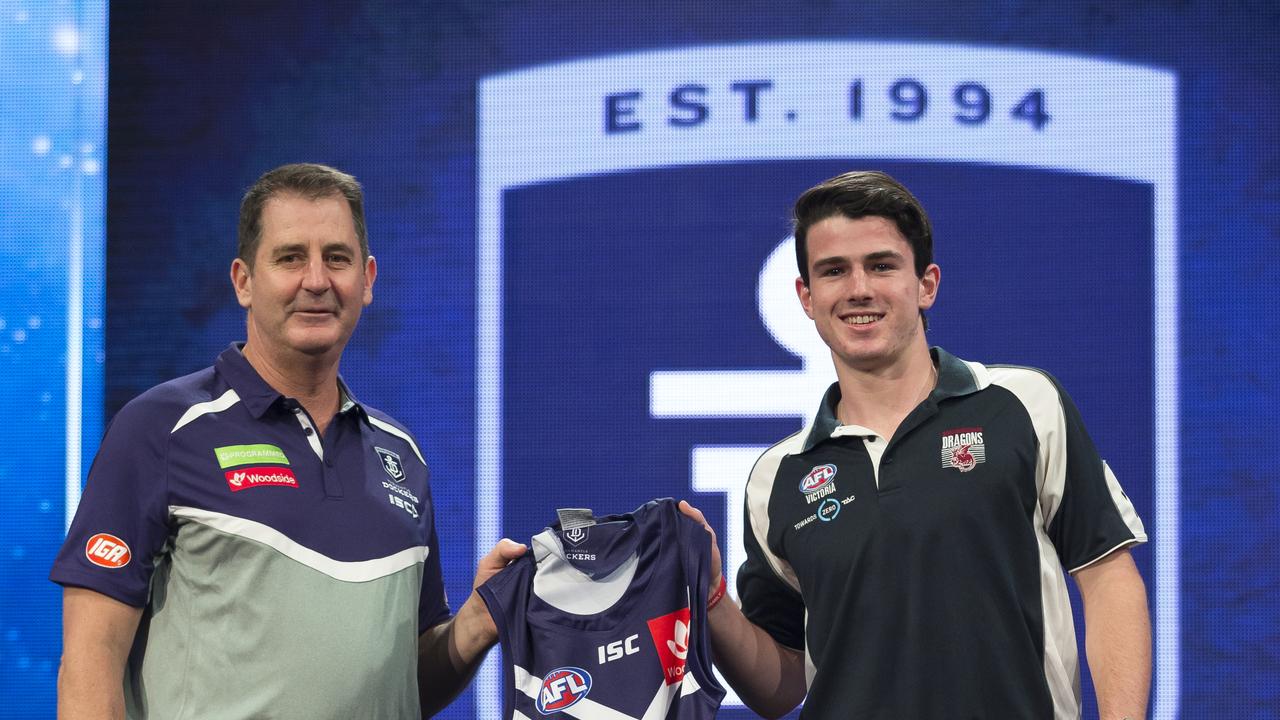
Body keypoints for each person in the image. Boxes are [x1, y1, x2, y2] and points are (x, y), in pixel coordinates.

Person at [51, 163, 524, 719]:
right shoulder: (161, 428)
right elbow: (89, 664)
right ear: (244, 281)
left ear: (368, 280)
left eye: (338, 258)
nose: (317, 280)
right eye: (290, 257)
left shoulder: (401, 457)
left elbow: (399, 684)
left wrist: (476, 622)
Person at [679, 170, 1151, 719]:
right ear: (806, 298)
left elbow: (1108, 577)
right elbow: (781, 685)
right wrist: (710, 595)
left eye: (881, 265)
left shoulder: (1023, 405)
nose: (859, 289)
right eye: (834, 271)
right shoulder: (776, 477)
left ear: (926, 284)